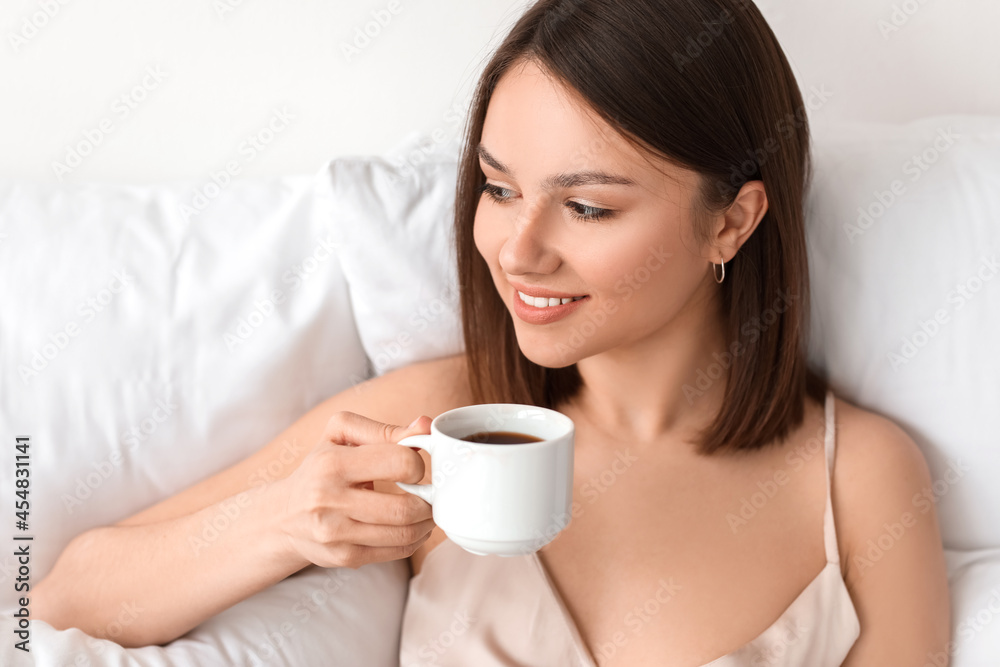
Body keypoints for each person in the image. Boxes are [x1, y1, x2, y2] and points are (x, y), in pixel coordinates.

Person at [34, 0, 951, 664]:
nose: (516, 251)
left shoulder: (857, 476)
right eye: (499, 189)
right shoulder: (448, 421)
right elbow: (70, 594)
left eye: (586, 207)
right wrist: (282, 522)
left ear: (732, 222)